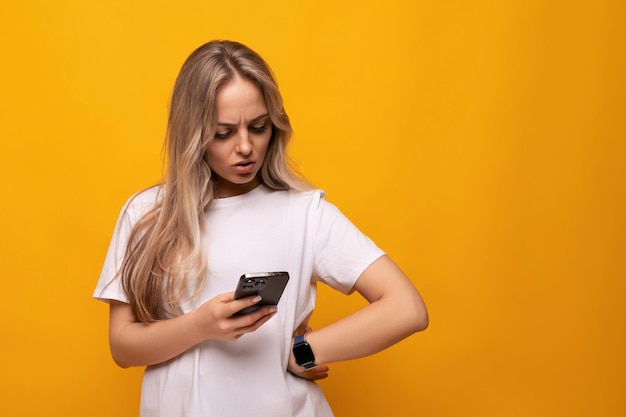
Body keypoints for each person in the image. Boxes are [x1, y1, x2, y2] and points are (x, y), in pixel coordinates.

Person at [93, 39, 428, 417]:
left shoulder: (304, 214)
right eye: (222, 133)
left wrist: (301, 352)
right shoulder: (146, 214)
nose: (246, 147)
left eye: (258, 127)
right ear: (192, 133)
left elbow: (407, 308)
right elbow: (122, 347)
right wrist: (200, 326)